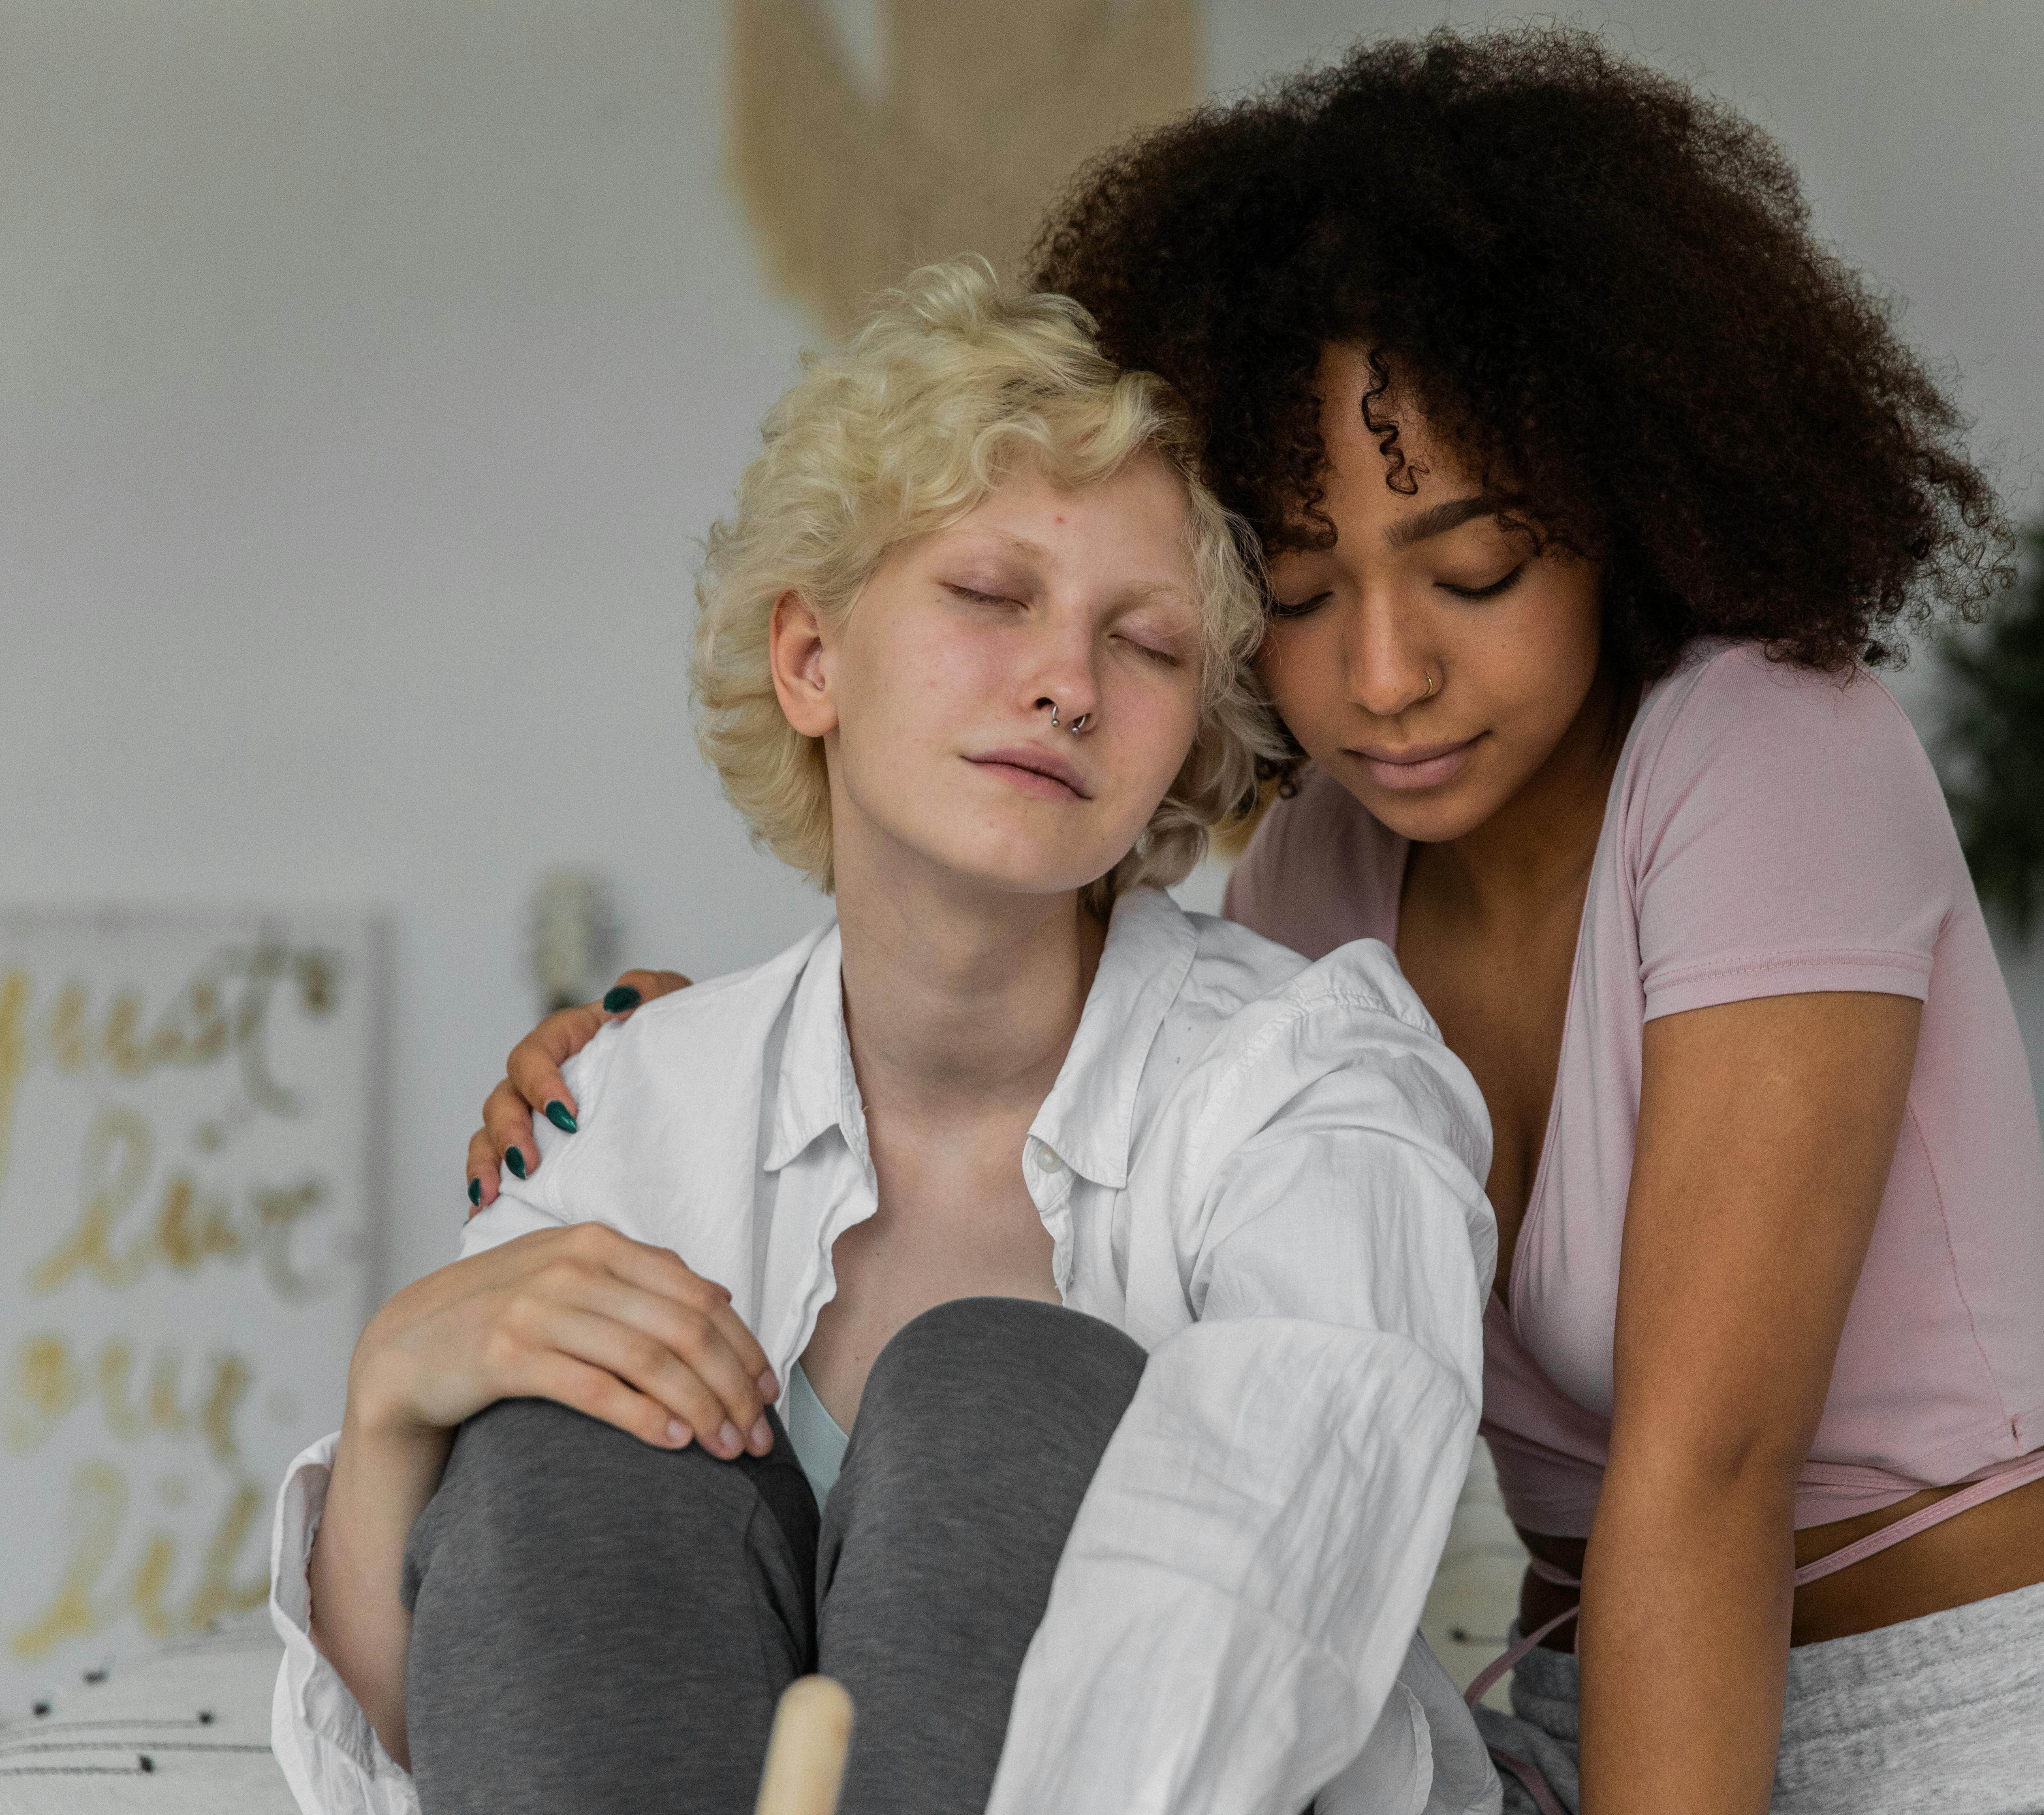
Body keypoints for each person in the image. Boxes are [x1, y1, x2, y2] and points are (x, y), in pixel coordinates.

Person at [470, 30, 2044, 1815]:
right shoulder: (1325, 870)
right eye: (1293, 587)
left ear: (1628, 506)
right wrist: (670, 1069)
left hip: (1987, 1711)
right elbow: (1027, 981)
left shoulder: (1774, 758)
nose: (1383, 673)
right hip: (1587, 1729)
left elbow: (1710, 1467)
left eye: (1476, 569)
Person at [275, 262, 1504, 1815]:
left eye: (1147, 646)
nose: (1065, 683)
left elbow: (1260, 1611)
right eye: (992, 598)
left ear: (1189, 736)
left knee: (994, 1385)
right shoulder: (637, 1103)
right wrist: (393, 1397)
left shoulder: (1313, 1085)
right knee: (552, 1442)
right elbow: (428, 1719)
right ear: (811, 661)